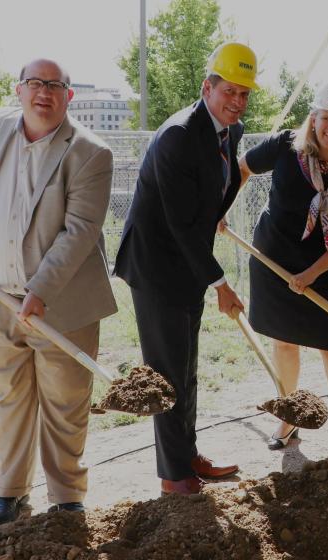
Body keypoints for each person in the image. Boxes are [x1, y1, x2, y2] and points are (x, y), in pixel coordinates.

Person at [0, 58, 115, 524]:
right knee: (10, 398)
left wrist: (40, 290)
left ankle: (66, 497)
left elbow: (79, 232)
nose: (43, 92)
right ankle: (10, 493)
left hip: (62, 302)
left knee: (64, 403)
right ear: (18, 90)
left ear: (68, 97)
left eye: (54, 86)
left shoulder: (90, 152)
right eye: (34, 83)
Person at [114, 43, 256, 495]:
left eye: (244, 93)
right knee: (166, 373)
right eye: (229, 90)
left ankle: (186, 454)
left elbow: (221, 187)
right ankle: (174, 477)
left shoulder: (228, 132)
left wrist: (218, 210)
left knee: (187, 368)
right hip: (157, 265)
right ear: (207, 87)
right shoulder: (179, 134)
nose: (237, 101)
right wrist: (220, 283)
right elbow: (179, 226)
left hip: (188, 261)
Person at [238, 81, 328, 452]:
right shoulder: (284, 146)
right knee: (283, 341)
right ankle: (289, 417)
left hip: (325, 266)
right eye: (326, 118)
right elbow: (242, 168)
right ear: (313, 118)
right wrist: (219, 212)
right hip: (273, 259)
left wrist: (312, 273)